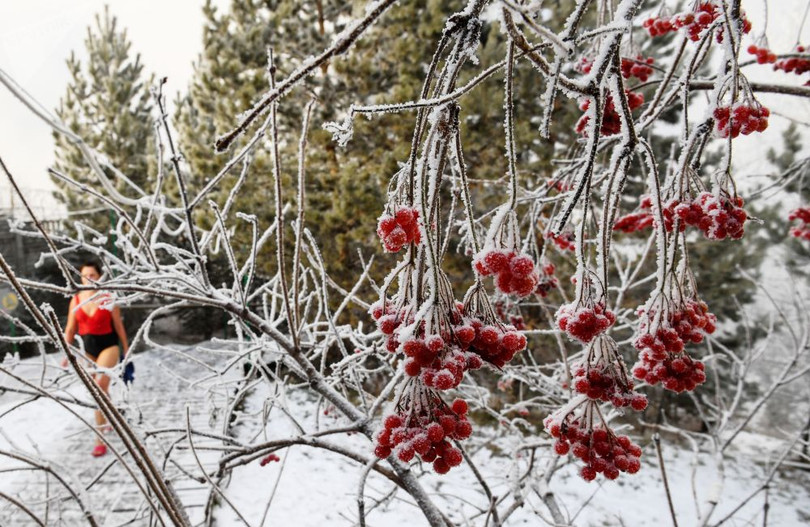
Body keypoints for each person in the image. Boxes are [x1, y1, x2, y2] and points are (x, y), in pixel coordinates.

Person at [61, 261, 129, 457]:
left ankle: (100, 440)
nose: (88, 278)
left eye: (92, 275)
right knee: (97, 392)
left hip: (109, 346)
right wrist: (67, 353)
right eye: (84, 275)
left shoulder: (108, 298)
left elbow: (119, 326)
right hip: (87, 350)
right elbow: (70, 329)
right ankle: (109, 415)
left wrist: (126, 349)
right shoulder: (76, 300)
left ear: (99, 277)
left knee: (99, 387)